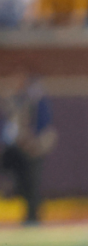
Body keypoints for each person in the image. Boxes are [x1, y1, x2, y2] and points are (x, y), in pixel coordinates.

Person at [1, 69, 56, 225]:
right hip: (14, 148)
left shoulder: (37, 101)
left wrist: (34, 144)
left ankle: (32, 216)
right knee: (21, 180)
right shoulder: (15, 101)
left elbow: (44, 129)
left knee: (30, 182)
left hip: (31, 149)